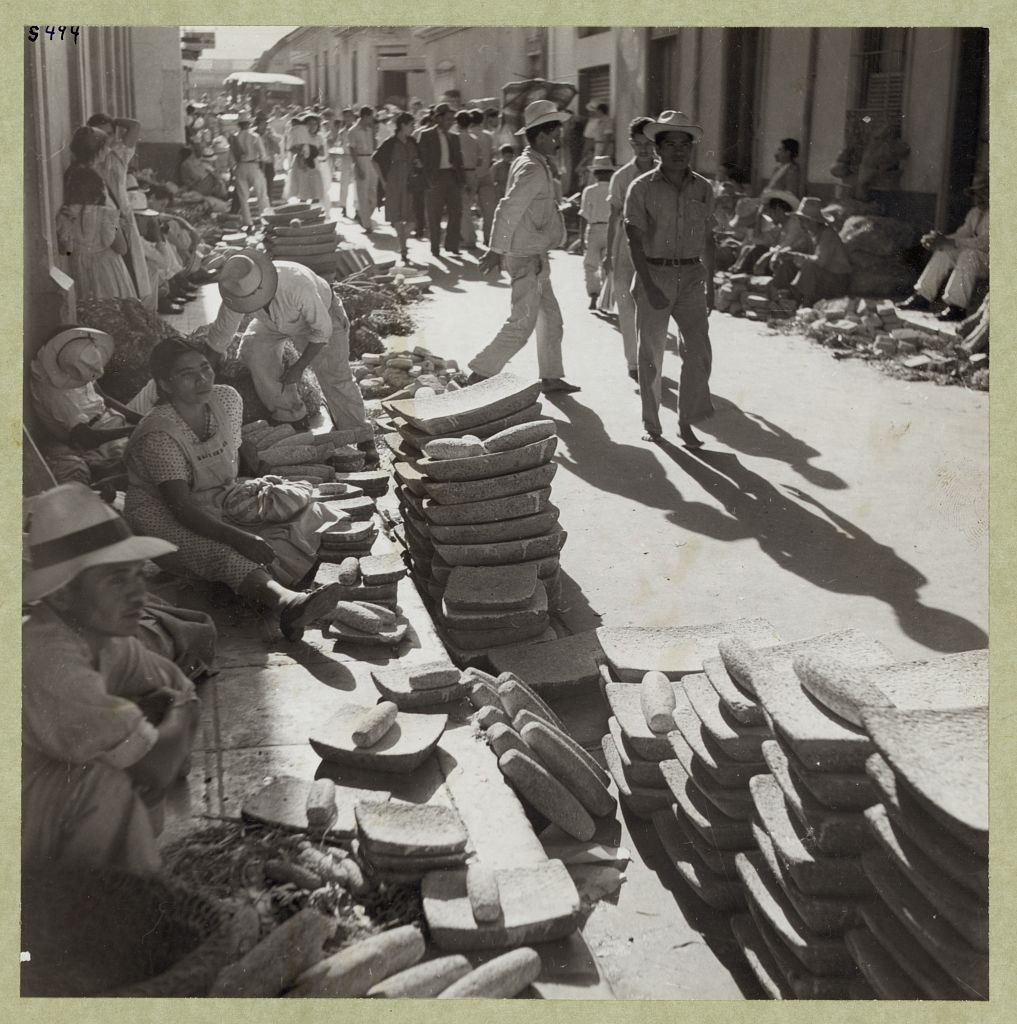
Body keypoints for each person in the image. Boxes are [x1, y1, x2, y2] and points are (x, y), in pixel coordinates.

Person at [22, 483, 200, 874]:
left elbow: (183, 700)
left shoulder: (109, 641)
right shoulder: (46, 657)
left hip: (38, 801)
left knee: (131, 768)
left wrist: (167, 732)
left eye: (139, 576)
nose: (139, 594)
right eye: (117, 581)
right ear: (63, 595)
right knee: (105, 788)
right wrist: (172, 723)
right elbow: (161, 763)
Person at [123, 340, 343, 641]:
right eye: (188, 374)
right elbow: (181, 508)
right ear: (165, 384)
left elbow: (233, 454)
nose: (202, 379)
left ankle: (245, 581)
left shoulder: (226, 399)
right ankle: (286, 602)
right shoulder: (158, 433)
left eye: (205, 367)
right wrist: (240, 536)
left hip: (214, 493)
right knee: (224, 550)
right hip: (160, 512)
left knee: (307, 507)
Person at [205, 249, 378, 461]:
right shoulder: (237, 289)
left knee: (335, 376)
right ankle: (291, 413)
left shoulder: (297, 285)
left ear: (261, 287)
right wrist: (205, 376)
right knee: (253, 349)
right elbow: (220, 335)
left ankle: (361, 435)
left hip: (321, 318)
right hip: (273, 321)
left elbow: (322, 332)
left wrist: (298, 368)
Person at [468, 100, 580, 395]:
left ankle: (551, 376)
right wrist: (496, 249)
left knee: (551, 320)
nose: (559, 141)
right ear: (542, 135)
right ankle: (480, 372)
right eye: (556, 134)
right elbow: (508, 209)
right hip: (524, 256)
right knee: (522, 323)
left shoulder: (534, 163)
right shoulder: (531, 167)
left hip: (535, 254)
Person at [625, 110, 716, 448]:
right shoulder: (642, 187)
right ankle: (652, 423)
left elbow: (709, 238)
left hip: (692, 276)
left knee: (699, 351)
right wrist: (648, 285)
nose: (679, 150)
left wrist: (713, 287)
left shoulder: (704, 188)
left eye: (685, 144)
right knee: (651, 354)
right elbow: (633, 238)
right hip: (655, 274)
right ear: (657, 149)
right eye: (671, 144)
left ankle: (687, 420)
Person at [29, 327, 141, 487]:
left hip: (116, 421)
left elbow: (105, 398)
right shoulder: (55, 393)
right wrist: (134, 430)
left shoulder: (75, 355)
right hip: (103, 441)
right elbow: (87, 438)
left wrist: (142, 419)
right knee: (146, 464)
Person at [602, 117, 658, 379]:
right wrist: (607, 255)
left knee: (652, 305)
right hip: (625, 246)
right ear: (630, 144)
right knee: (625, 303)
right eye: (638, 144)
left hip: (657, 248)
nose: (644, 150)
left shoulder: (666, 173)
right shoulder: (621, 177)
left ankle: (650, 358)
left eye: (648, 144)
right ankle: (633, 363)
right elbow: (614, 216)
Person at [56, 126, 136, 303]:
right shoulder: (94, 182)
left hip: (79, 263)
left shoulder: (72, 173)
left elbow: (66, 248)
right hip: (104, 267)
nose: (108, 151)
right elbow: (119, 245)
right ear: (99, 151)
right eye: (105, 147)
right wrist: (118, 224)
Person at [86, 112, 154, 311]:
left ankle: (139, 313)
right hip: (105, 222)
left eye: (109, 134)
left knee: (133, 266)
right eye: (100, 134)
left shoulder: (118, 154)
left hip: (124, 217)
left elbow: (135, 125)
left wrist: (112, 121)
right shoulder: (89, 161)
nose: (105, 139)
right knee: (119, 272)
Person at [898, 173, 989, 321]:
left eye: (984, 192)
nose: (979, 198)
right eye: (976, 193)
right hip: (979, 257)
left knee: (969, 255)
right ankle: (922, 297)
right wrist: (940, 240)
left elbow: (985, 243)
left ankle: (957, 308)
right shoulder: (975, 213)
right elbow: (962, 234)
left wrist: (949, 241)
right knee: (945, 250)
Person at [769, 196, 852, 307]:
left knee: (809, 266)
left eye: (804, 221)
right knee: (787, 263)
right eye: (801, 220)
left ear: (814, 221)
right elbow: (796, 247)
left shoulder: (828, 234)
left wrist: (797, 256)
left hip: (836, 281)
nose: (802, 224)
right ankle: (781, 296)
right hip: (820, 278)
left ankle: (803, 302)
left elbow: (820, 261)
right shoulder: (810, 234)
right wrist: (782, 253)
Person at [373, 112, 423, 265]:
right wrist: (382, 181)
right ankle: (403, 248)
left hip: (410, 182)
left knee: (412, 218)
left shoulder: (412, 141)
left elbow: (419, 158)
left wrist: (419, 164)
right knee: (396, 217)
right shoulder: (390, 142)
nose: (413, 128)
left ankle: (402, 241)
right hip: (394, 182)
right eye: (411, 125)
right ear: (402, 125)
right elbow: (374, 160)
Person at [417, 103, 465, 257]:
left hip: (452, 177)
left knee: (456, 212)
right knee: (434, 214)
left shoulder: (454, 137)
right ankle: (435, 247)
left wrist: (461, 181)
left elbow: (459, 160)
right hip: (435, 178)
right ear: (439, 118)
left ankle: (452, 245)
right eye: (448, 118)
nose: (451, 122)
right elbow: (421, 160)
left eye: (453, 119)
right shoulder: (426, 135)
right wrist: (427, 180)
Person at [728, 189, 802, 275]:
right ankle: (741, 275)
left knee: (759, 251)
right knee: (755, 248)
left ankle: (744, 277)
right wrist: (758, 218)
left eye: (769, 211)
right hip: (776, 258)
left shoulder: (794, 225)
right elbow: (759, 240)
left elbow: (784, 248)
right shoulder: (780, 226)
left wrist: (766, 256)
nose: (769, 215)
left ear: (778, 210)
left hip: (791, 264)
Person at [579, 155, 614, 310]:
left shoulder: (589, 191)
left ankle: (594, 295)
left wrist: (581, 238)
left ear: (595, 174)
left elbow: (584, 215)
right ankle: (606, 300)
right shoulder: (615, 190)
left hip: (594, 229)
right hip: (611, 230)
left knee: (590, 265)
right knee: (608, 265)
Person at [229, 113, 271, 231]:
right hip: (253, 165)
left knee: (243, 197)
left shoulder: (234, 138)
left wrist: (233, 172)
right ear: (249, 123)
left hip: (240, 167)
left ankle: (248, 223)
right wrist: (266, 160)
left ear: (239, 125)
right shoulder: (254, 136)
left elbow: (231, 159)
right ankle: (266, 220)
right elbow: (263, 155)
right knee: (261, 195)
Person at [453, 110, 482, 251]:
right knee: (467, 207)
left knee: (463, 209)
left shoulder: (455, 138)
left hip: (461, 174)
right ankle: (470, 236)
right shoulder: (474, 138)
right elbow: (480, 160)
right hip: (473, 174)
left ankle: (469, 239)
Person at [283, 112, 326, 205]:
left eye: (315, 124)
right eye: (309, 123)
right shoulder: (300, 135)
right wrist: (301, 152)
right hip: (300, 163)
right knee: (303, 191)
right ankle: (304, 212)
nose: (312, 126)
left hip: (314, 163)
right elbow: (291, 148)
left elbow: (322, 153)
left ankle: (314, 211)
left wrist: (313, 150)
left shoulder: (319, 137)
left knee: (315, 191)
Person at [349, 106, 379, 231]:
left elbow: (375, 146)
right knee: (362, 193)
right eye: (371, 117)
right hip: (360, 159)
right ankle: (367, 224)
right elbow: (352, 149)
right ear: (365, 116)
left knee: (373, 194)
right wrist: (358, 166)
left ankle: (363, 216)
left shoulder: (369, 130)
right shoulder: (353, 130)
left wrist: (373, 134)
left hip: (371, 159)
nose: (372, 120)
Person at [474, 108, 499, 245]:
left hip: (470, 175)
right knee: (489, 210)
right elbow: (492, 156)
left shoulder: (463, 135)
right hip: (486, 175)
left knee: (465, 209)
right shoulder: (488, 136)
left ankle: (467, 237)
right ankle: (488, 238)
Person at [336, 108, 357, 218]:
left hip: (356, 158)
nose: (347, 118)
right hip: (345, 157)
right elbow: (338, 144)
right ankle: (343, 206)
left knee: (356, 184)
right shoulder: (342, 131)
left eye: (349, 116)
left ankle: (357, 208)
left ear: (353, 117)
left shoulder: (357, 129)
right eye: (345, 116)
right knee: (344, 183)